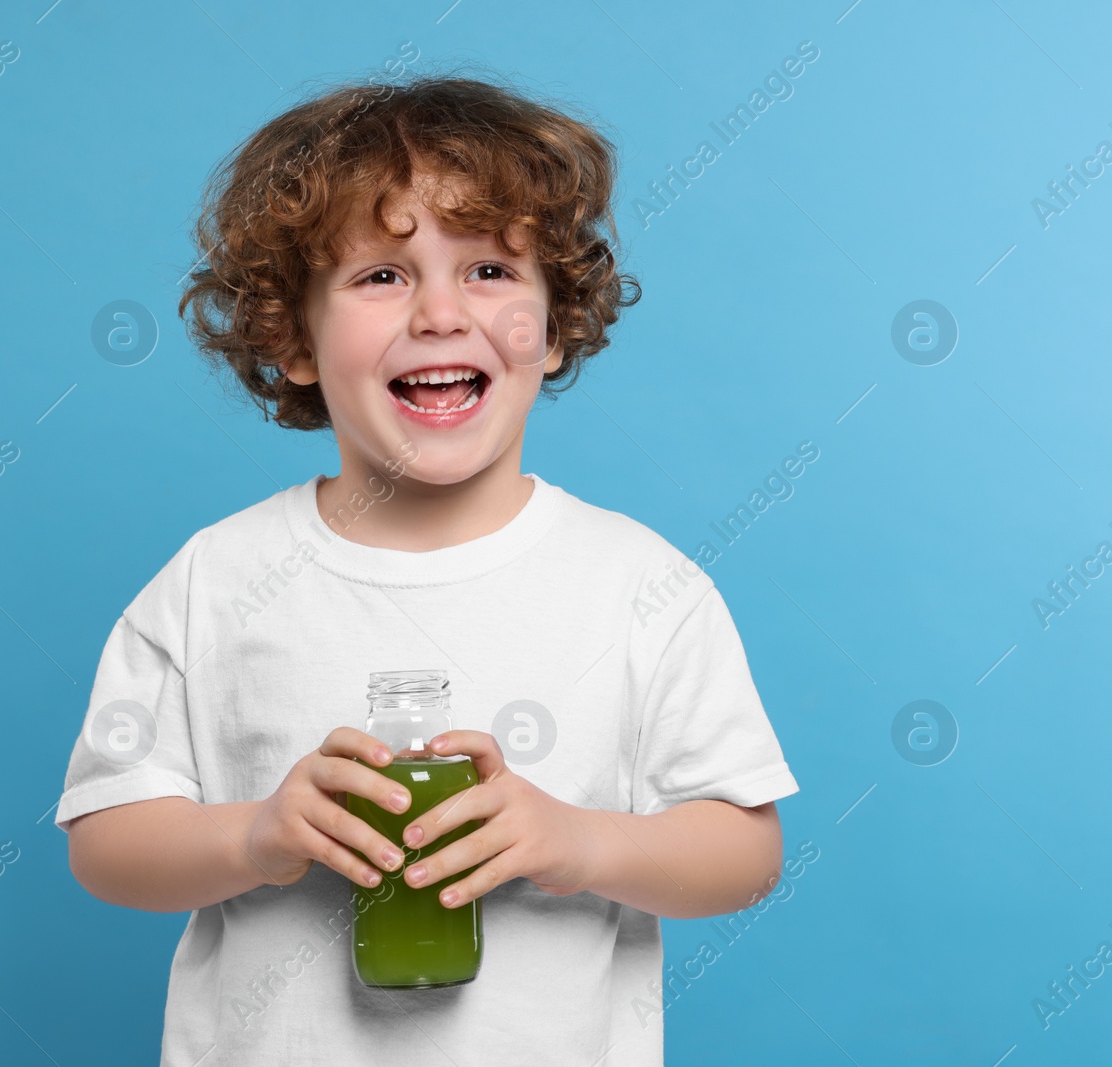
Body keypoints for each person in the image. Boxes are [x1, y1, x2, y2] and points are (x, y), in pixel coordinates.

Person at [57, 73, 799, 1066]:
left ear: (555, 316)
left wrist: (578, 843)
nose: (442, 313)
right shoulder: (217, 580)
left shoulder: (639, 585)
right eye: (381, 275)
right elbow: (106, 842)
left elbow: (743, 853)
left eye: (490, 270)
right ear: (292, 335)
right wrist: (257, 837)